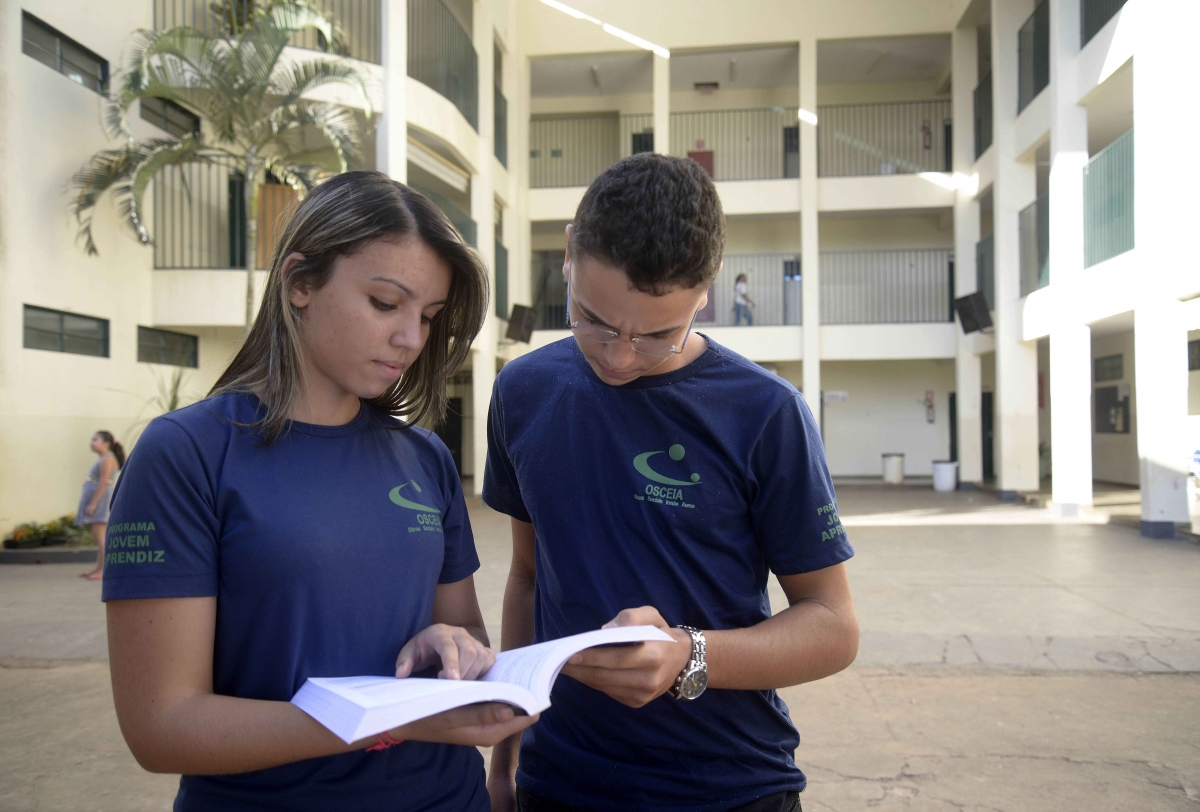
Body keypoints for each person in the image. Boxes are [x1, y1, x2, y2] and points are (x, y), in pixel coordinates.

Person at [101, 171, 537, 811]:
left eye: (428, 316)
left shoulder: (423, 458)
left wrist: (449, 649)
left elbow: (463, 626)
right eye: (386, 304)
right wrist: (392, 718)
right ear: (300, 282)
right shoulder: (186, 455)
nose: (411, 339)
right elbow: (162, 728)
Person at [484, 153, 859, 812]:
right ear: (568, 254)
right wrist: (507, 751)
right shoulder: (522, 392)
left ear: (706, 290)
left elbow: (832, 626)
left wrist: (691, 656)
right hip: (561, 782)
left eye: (656, 334)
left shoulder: (765, 413)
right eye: (593, 319)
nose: (619, 355)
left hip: (731, 787)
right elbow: (528, 575)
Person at [77, 430, 124, 580]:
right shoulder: (104, 457)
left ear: (106, 443)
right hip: (99, 499)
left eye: (95, 440)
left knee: (100, 535)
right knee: (97, 534)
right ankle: (99, 568)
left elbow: (104, 482)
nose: (92, 442)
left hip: (101, 500)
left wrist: (93, 504)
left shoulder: (107, 458)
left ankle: (105, 570)